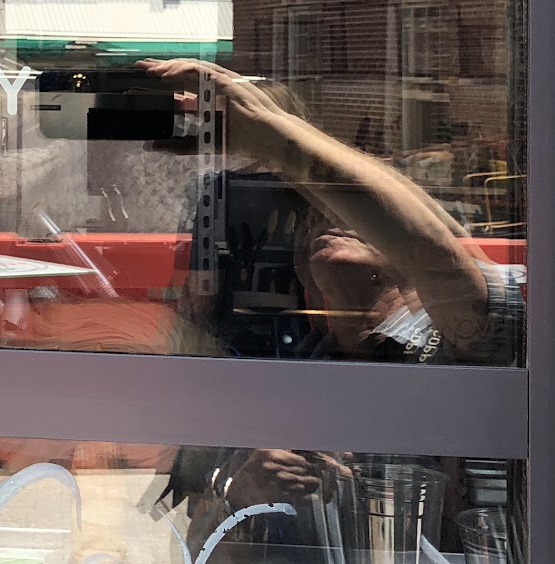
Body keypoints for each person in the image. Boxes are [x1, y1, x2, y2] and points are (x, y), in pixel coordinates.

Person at [139, 57, 523, 367]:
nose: (329, 222)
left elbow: (437, 254)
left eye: (350, 214)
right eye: (311, 216)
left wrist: (273, 138)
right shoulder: (300, 363)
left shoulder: (452, 339)